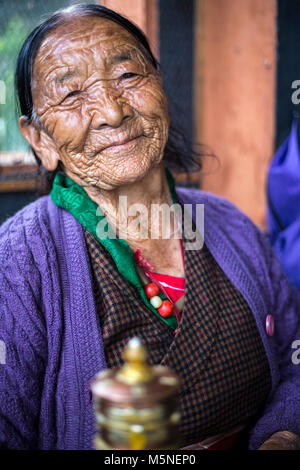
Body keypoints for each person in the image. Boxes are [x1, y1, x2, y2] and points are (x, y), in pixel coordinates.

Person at [0, 4, 300, 450]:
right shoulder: (18, 262)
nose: (111, 112)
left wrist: (282, 434)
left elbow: (293, 359)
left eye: (127, 77)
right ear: (41, 141)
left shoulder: (229, 224)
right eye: (71, 94)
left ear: (159, 85)